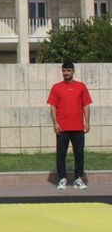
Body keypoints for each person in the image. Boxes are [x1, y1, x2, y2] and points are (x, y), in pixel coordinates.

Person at [47, 61, 92, 190]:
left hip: (78, 127)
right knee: (61, 154)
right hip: (62, 128)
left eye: (68, 70)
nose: (66, 73)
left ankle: (78, 178)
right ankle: (62, 179)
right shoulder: (56, 87)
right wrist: (55, 123)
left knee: (79, 153)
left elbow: (86, 105)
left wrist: (87, 122)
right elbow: (53, 106)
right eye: (64, 71)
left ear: (73, 71)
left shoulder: (81, 86)